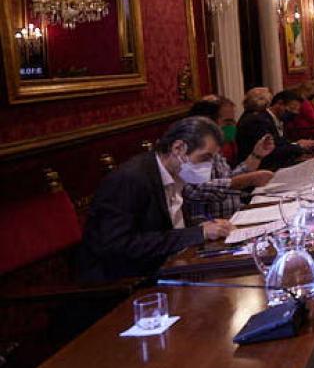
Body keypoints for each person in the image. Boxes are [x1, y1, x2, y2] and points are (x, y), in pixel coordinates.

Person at [78, 117, 235, 282]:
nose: (208, 166)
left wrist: (204, 226)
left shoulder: (178, 175)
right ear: (178, 148)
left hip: (174, 265)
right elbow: (119, 245)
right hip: (129, 281)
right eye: (204, 158)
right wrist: (198, 233)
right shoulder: (130, 179)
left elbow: (169, 226)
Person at [181, 98, 276, 224]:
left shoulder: (214, 146)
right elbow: (195, 189)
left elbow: (228, 179)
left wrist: (256, 155)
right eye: (228, 122)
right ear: (208, 122)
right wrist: (247, 180)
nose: (232, 126)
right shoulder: (188, 147)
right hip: (212, 225)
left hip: (235, 216)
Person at [235, 88, 314, 171]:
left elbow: (278, 143)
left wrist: (296, 144)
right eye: (292, 108)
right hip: (263, 169)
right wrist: (298, 146)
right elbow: (269, 151)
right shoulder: (257, 121)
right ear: (279, 103)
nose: (295, 113)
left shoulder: (271, 119)